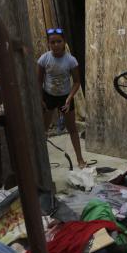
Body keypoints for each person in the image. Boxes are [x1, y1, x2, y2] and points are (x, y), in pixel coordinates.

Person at [37, 28, 86, 168]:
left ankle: (80, 160)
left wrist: (70, 97)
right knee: (44, 130)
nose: (56, 45)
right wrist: (41, 99)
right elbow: (38, 81)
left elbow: (77, 82)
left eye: (59, 41)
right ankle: (42, 161)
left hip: (65, 97)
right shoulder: (44, 59)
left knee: (72, 129)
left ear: (64, 42)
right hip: (48, 97)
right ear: (48, 44)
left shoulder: (71, 60)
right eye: (52, 42)